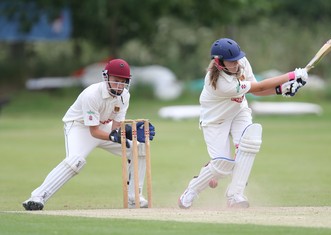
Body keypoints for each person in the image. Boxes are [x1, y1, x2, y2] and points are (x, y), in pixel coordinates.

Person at [178, 38, 308, 209]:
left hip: (239, 111)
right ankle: (192, 190)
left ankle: (235, 195)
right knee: (221, 167)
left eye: (237, 58)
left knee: (250, 142)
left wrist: (282, 89)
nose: (236, 63)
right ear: (219, 62)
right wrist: (290, 76)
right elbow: (260, 87)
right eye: (231, 61)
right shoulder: (220, 83)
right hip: (215, 120)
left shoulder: (241, 62)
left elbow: (256, 89)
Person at [22, 58, 155, 210]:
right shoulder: (92, 94)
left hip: (103, 127)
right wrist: (116, 136)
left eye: (123, 81)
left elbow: (115, 129)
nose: (119, 85)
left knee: (139, 148)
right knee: (75, 161)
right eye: (116, 80)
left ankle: (134, 198)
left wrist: (128, 132)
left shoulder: (124, 96)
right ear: (106, 77)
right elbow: (94, 132)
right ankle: (37, 197)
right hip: (80, 127)